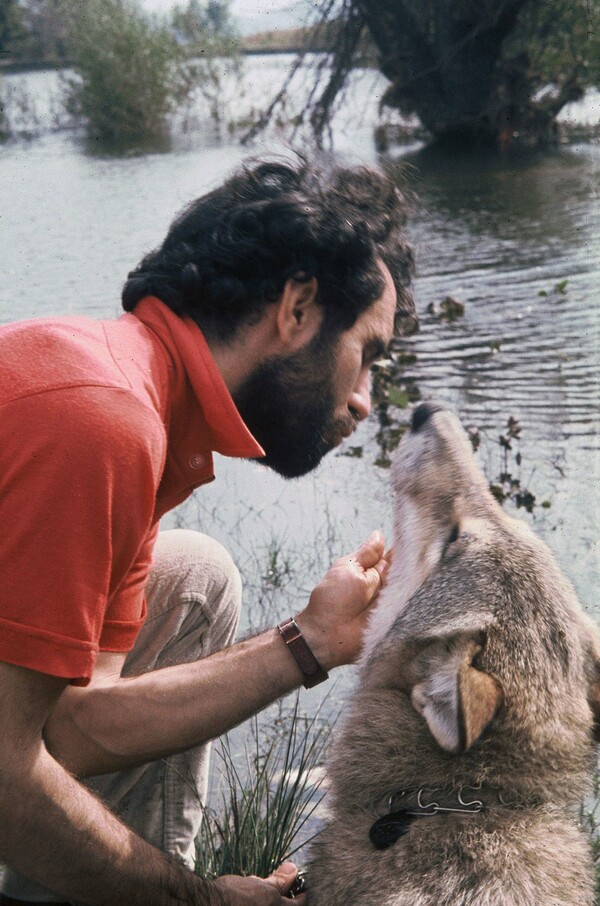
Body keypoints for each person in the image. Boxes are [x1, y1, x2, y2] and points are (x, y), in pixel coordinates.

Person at [0, 158, 416, 906]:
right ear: (296, 310)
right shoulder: (101, 422)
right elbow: (4, 772)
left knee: (196, 574)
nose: (364, 402)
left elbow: (69, 730)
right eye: (367, 355)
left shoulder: (138, 405)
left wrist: (313, 640)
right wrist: (200, 901)